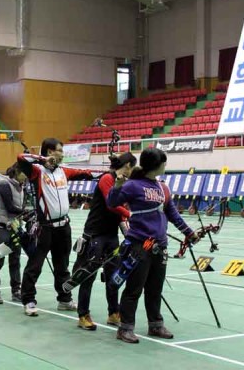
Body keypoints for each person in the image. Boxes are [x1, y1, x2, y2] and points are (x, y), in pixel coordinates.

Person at [107, 148, 198, 343]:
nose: (165, 165)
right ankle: (125, 328)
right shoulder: (133, 185)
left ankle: (155, 324)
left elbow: (172, 214)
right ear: (156, 165)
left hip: (160, 246)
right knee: (134, 289)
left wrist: (189, 233)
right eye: (164, 162)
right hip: (140, 245)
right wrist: (117, 186)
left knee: (155, 289)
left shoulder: (163, 187)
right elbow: (112, 203)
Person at [17, 138, 94, 316]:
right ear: (50, 152)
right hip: (45, 228)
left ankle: (64, 299)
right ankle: (28, 300)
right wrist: (43, 160)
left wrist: (111, 172)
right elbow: (21, 158)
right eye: (59, 150)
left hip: (63, 227)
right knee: (35, 265)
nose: (62, 154)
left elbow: (87, 173)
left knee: (62, 266)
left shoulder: (63, 171)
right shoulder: (37, 171)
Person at [73, 152, 136, 331]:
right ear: (128, 165)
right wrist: (130, 214)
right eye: (133, 168)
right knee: (88, 276)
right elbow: (111, 203)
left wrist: (130, 229)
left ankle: (113, 313)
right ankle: (83, 315)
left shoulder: (124, 182)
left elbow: (121, 208)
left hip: (111, 235)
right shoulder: (107, 178)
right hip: (95, 235)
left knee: (113, 275)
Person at [0, 163, 28, 304]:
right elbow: (10, 207)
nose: (27, 176)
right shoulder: (4, 184)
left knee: (15, 260)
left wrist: (24, 215)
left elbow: (20, 208)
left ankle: (16, 290)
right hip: (2, 226)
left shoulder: (22, 186)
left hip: (15, 227)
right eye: (25, 173)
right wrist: (26, 213)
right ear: (17, 171)